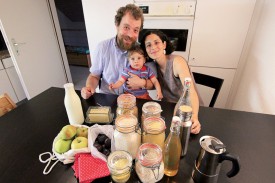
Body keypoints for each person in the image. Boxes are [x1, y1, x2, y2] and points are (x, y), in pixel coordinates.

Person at [81, 4, 154, 99]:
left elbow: (153, 84)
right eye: (126, 27)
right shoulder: (102, 47)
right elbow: (94, 76)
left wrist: (143, 82)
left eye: (135, 30)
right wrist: (89, 88)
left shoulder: (142, 51)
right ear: (117, 24)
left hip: (133, 100)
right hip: (108, 98)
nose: (130, 35)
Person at [140, 30, 201, 134]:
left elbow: (190, 90)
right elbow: (151, 85)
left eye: (156, 42)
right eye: (148, 45)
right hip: (169, 109)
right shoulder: (152, 67)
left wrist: (194, 115)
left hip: (188, 108)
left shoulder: (177, 62)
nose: (153, 47)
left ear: (164, 44)